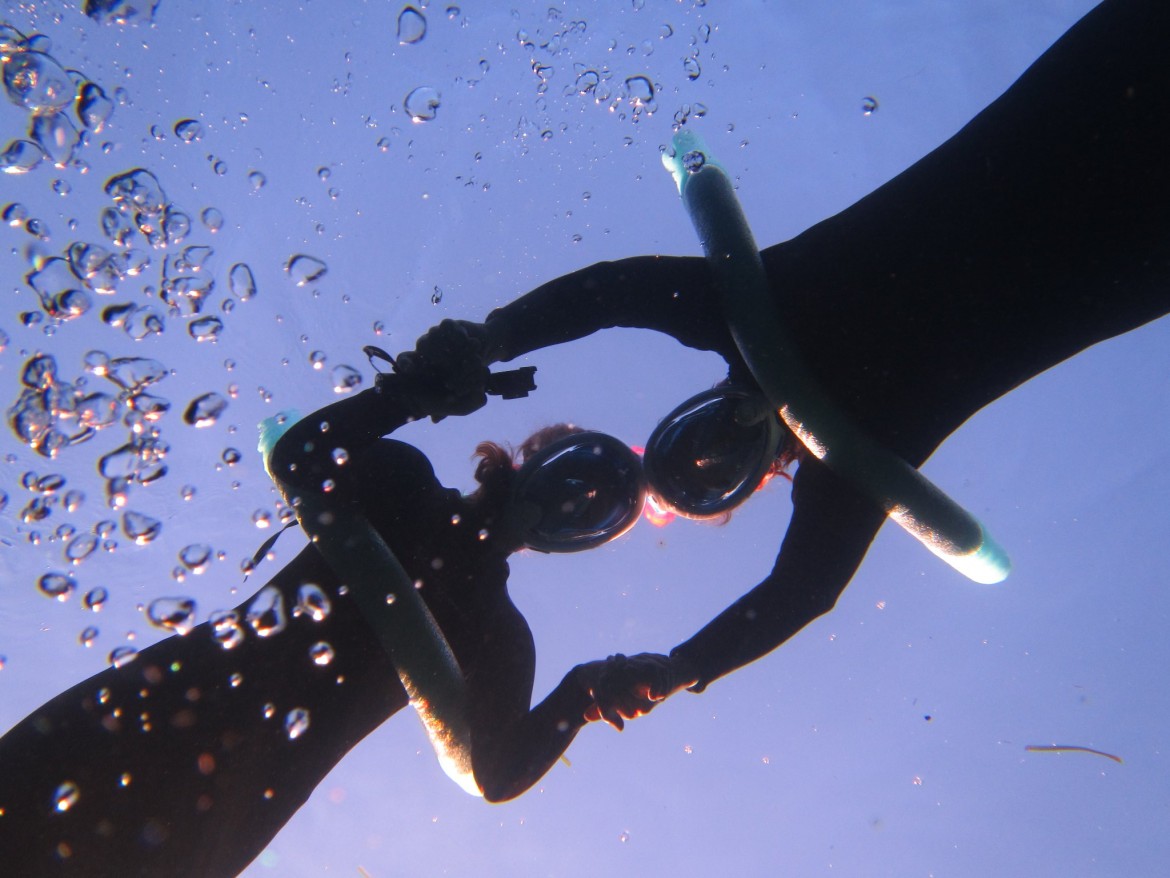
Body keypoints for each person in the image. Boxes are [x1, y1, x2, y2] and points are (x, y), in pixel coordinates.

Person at [398, 0, 1170, 722]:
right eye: (706, 486)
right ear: (744, 493)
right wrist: (678, 667)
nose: (707, 454)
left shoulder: (746, 312)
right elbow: (800, 592)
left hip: (1101, 85)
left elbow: (611, 292)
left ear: (671, 419)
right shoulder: (854, 462)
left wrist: (491, 338)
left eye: (678, 452)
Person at [0, 364, 711, 877]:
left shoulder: (498, 635)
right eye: (579, 475)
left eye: (598, 510)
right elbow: (300, 457)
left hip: (241, 778)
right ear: (534, 454)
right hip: (174, 712)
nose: (578, 500)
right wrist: (406, 392)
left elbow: (492, 771)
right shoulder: (403, 483)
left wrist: (585, 693)